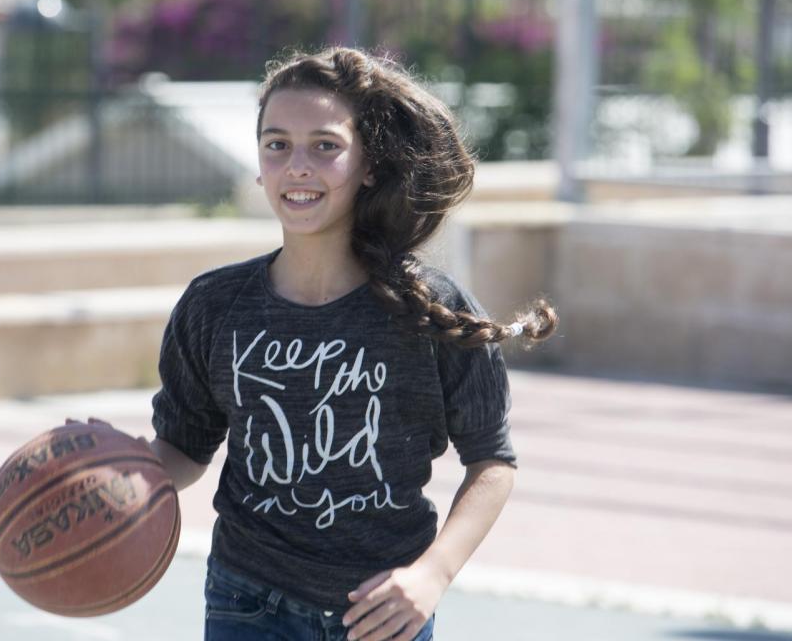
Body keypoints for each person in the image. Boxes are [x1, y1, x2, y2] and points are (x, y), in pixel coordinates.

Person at [102, 46, 556, 640]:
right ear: (260, 165)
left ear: (368, 164)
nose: (297, 166)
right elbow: (184, 450)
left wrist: (432, 576)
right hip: (247, 602)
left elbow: (491, 463)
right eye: (277, 144)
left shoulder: (431, 311)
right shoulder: (215, 305)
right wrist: (117, 467)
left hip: (383, 612)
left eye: (325, 145)